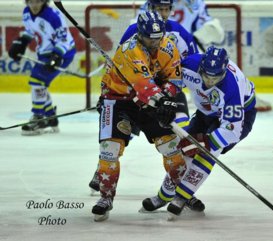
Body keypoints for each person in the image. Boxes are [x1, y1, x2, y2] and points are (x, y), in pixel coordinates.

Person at [89, 0, 205, 214]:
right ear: (139, 35)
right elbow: (143, 86)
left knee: (171, 148)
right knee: (109, 150)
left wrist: (167, 98)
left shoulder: (168, 44)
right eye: (149, 40)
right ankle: (106, 198)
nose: (154, 44)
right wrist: (162, 101)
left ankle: (182, 193)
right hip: (119, 100)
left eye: (157, 39)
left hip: (148, 100)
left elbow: (175, 80)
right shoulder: (130, 50)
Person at [165, 46, 257, 217]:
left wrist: (205, 142)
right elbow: (171, 84)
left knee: (208, 151)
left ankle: (182, 196)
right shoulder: (189, 64)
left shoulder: (231, 87)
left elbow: (232, 131)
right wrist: (165, 102)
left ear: (223, 73)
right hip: (206, 111)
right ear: (201, 67)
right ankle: (164, 194)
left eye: (215, 78)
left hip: (241, 117)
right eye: (206, 76)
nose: (209, 81)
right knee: (184, 149)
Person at [8, 0, 76, 135]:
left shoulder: (54, 16)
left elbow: (65, 40)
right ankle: (50, 118)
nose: (34, 4)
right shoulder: (26, 12)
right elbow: (30, 30)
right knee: (40, 84)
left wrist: (57, 56)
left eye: (38, 1)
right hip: (44, 53)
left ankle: (38, 117)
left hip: (63, 53)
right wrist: (21, 43)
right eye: (31, 1)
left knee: (36, 80)